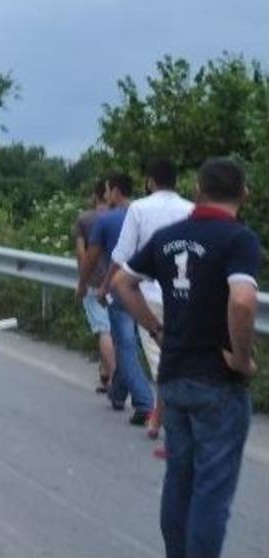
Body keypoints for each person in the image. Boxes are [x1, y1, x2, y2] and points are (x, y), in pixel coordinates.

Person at [113, 158, 261, 558]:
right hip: (218, 380)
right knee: (211, 491)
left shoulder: (169, 236)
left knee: (179, 481)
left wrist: (156, 329)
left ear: (198, 189)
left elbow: (122, 283)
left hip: (175, 376)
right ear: (244, 193)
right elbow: (244, 301)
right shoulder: (239, 239)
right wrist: (242, 358)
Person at [104, 158, 193, 445]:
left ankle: (173, 420)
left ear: (150, 181)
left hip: (147, 294)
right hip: (184, 293)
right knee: (175, 354)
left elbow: (122, 255)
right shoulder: (191, 209)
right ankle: (157, 416)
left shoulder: (139, 209)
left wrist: (107, 286)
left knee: (160, 358)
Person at [84, 172, 154, 425]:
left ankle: (145, 403)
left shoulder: (108, 220)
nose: (105, 195)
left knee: (124, 345)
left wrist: (96, 286)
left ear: (115, 191)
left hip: (123, 289)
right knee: (130, 344)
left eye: (106, 189)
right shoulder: (147, 213)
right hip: (151, 289)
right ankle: (117, 393)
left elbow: (101, 257)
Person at [73, 180, 115, 393]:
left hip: (94, 280)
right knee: (117, 330)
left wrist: (82, 280)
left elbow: (82, 253)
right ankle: (106, 375)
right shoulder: (122, 217)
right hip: (118, 280)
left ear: (95, 195)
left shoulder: (85, 219)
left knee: (103, 330)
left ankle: (116, 378)